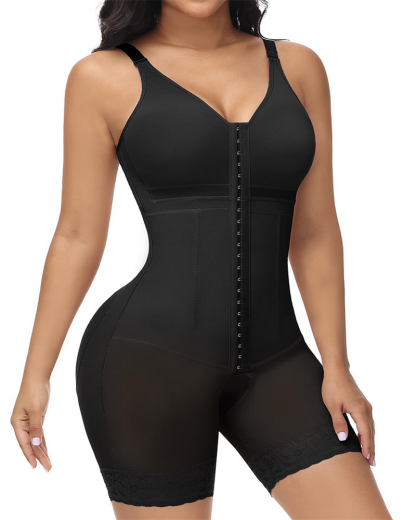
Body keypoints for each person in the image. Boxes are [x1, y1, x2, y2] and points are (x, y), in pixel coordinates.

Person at [10, 1, 393, 519]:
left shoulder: (299, 67)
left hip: (279, 362)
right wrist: (36, 375)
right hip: (148, 363)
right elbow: (77, 235)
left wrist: (338, 367)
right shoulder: (102, 76)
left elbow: (315, 230)